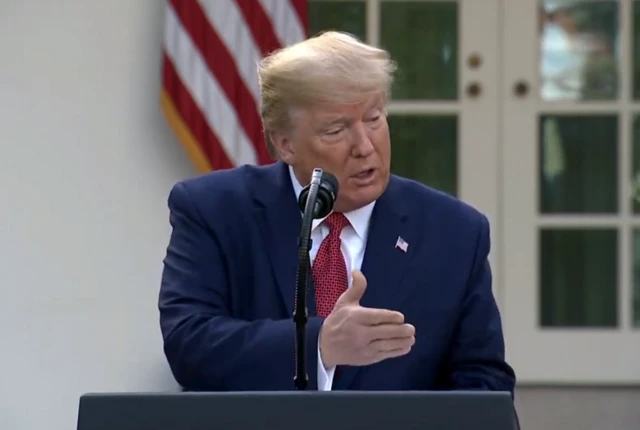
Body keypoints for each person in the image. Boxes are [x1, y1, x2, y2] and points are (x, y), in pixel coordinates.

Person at [158, 31, 516, 393]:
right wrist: (318, 345)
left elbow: (483, 384)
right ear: (285, 144)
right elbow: (190, 344)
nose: (365, 146)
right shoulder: (215, 210)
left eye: (374, 118)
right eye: (336, 129)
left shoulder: (454, 232)